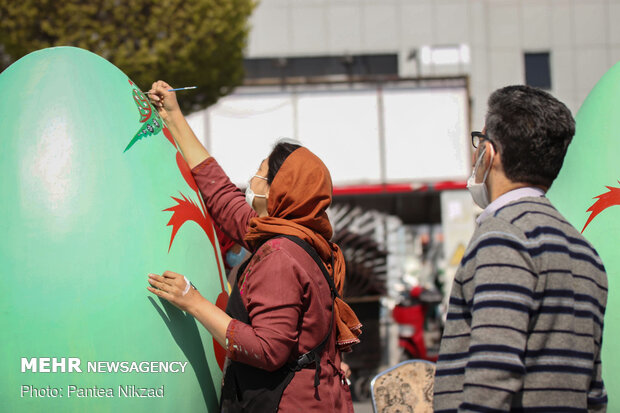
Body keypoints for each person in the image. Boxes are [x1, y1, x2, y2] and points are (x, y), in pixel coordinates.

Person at [145, 80, 360, 412]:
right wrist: (174, 117)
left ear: (280, 192)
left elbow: (267, 350)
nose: (252, 180)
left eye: (261, 174)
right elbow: (221, 194)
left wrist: (194, 302)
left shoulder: (278, 257)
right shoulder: (298, 240)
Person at [433, 85, 608, 412]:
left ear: (489, 152)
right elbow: (594, 391)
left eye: (479, 140)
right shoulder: (586, 254)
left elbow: (492, 373)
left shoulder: (504, 235)